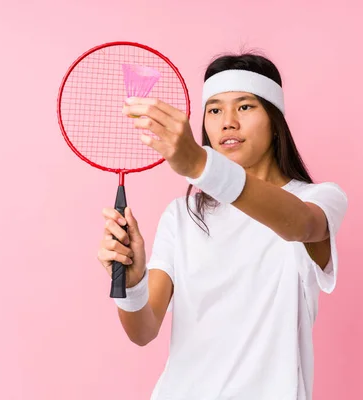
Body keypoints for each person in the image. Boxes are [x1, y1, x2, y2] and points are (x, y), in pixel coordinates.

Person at [97, 52, 348, 400]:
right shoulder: (181, 215)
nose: (227, 122)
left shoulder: (320, 200)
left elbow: (299, 225)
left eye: (245, 107)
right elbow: (143, 330)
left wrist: (201, 164)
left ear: (275, 121)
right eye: (214, 110)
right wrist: (133, 282)